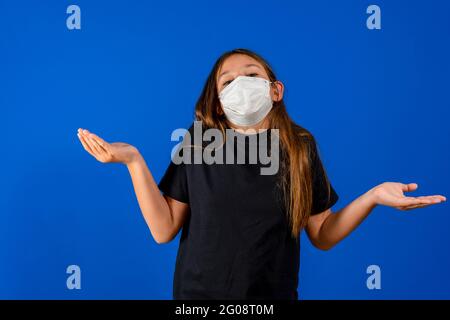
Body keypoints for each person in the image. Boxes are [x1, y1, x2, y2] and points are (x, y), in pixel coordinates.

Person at [77, 48, 446, 300]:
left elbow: (322, 234)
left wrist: (374, 196)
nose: (241, 84)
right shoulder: (198, 144)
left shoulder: (300, 147)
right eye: (228, 81)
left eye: (251, 74)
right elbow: (163, 229)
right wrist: (134, 161)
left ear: (275, 90)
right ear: (218, 104)